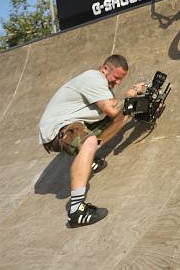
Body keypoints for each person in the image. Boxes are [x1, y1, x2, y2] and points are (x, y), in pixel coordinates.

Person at [39, 54, 143, 228]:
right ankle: (77, 211)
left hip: (74, 125)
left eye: (121, 80)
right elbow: (111, 109)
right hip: (57, 129)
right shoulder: (93, 78)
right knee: (90, 141)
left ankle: (87, 160)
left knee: (123, 112)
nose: (117, 82)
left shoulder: (104, 88)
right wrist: (130, 94)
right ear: (104, 69)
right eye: (116, 77)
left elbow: (117, 112)